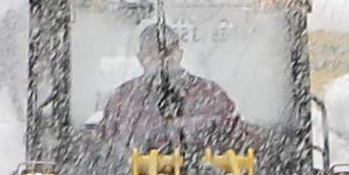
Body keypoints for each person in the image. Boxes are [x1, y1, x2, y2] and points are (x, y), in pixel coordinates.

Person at [95, 22, 246, 153]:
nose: (161, 58)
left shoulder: (211, 95)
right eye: (151, 52)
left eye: (168, 51)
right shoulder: (122, 99)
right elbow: (105, 147)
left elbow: (239, 141)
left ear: (179, 54)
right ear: (140, 59)